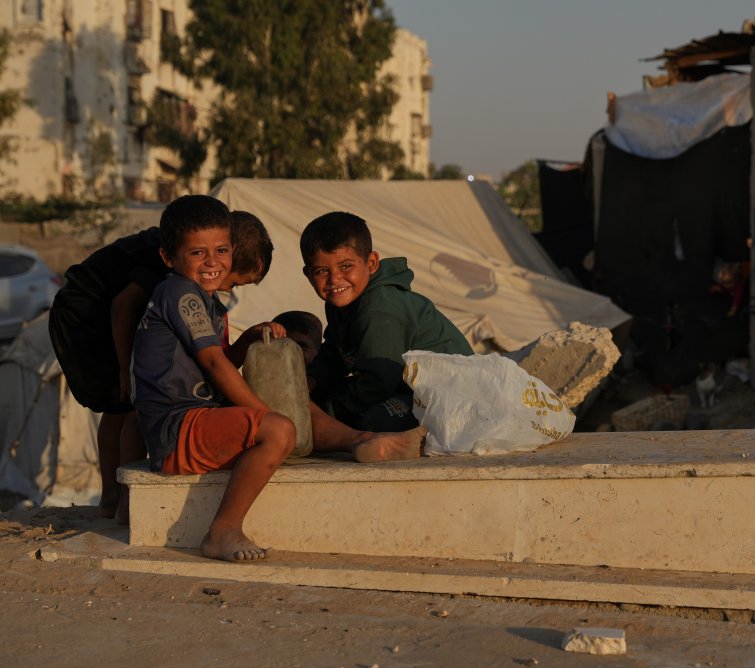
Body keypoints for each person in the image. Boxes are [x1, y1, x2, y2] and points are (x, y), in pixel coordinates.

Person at [132, 197, 426, 563]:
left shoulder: (205, 300)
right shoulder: (180, 294)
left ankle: (364, 442)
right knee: (280, 429)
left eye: (221, 250)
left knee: (295, 406)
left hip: (197, 419)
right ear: (168, 257)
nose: (213, 263)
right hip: (179, 429)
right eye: (197, 253)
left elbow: (220, 360)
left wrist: (247, 341)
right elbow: (213, 366)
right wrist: (267, 416)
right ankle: (222, 530)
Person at [48, 207, 274, 520]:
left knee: (125, 406)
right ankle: (116, 499)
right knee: (123, 404)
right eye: (234, 284)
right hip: (86, 312)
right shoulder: (172, 271)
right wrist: (126, 370)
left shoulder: (189, 263)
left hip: (102, 310)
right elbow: (122, 307)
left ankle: (115, 502)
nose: (225, 288)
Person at [300, 211, 473, 432]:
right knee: (327, 395)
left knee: (373, 419)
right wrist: (310, 382)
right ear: (308, 274)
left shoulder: (378, 308)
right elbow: (335, 352)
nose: (335, 280)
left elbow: (378, 382)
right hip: (401, 387)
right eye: (322, 271)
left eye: (345, 266)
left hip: (450, 397)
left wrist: (326, 414)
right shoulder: (341, 303)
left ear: (371, 263)